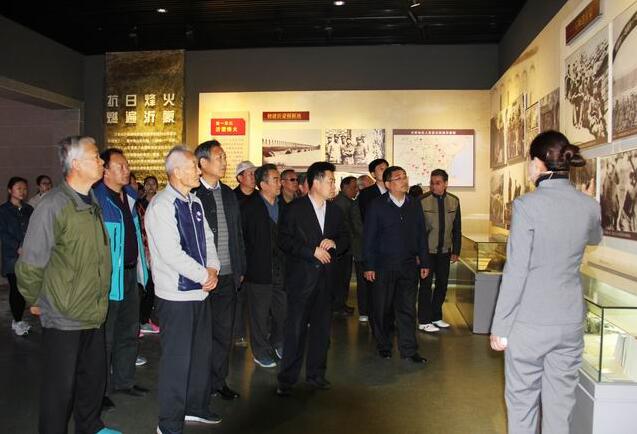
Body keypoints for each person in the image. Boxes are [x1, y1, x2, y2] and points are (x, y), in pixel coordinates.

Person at [490, 131, 602, 434]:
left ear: (539, 164)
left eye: (530, 161)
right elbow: (594, 238)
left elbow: (517, 270)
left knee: (522, 403)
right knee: (560, 406)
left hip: (530, 322)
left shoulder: (527, 205)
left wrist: (500, 326)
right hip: (569, 320)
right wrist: (587, 201)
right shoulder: (588, 205)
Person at [16, 136, 119, 434]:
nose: (101, 161)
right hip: (63, 315)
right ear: (75, 164)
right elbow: (30, 264)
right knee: (59, 391)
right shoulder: (53, 205)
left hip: (93, 311)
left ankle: (90, 427)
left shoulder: (91, 200)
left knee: (92, 381)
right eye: (95, 156)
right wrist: (37, 300)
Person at [145, 146, 222, 431]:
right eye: (193, 167)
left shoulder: (195, 202)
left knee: (201, 354)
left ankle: (195, 407)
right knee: (177, 360)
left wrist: (213, 269)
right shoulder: (162, 206)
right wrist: (204, 275)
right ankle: (169, 422)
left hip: (200, 292)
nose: (198, 171)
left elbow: (208, 240)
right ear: (176, 172)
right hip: (176, 296)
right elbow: (170, 253)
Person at [276, 162, 349, 396]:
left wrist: (335, 243)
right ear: (316, 182)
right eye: (330, 180)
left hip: (326, 281)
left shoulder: (336, 211)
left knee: (321, 331)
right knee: (295, 331)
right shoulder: (294, 209)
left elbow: (345, 239)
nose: (334, 185)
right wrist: (311, 251)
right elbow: (284, 240)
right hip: (301, 281)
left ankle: (316, 375)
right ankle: (287, 380)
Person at [93, 148, 150, 410]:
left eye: (127, 165)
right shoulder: (97, 199)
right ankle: (100, 389)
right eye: (120, 166)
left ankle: (124, 381)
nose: (127, 170)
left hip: (129, 273)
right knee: (106, 335)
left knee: (129, 330)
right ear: (105, 170)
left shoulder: (129, 196)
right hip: (108, 277)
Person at [193, 140, 246, 401]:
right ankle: (199, 385)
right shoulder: (192, 194)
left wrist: (240, 267)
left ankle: (218, 382)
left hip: (227, 275)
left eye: (224, 157)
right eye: (219, 157)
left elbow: (237, 233)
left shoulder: (228, 193)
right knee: (201, 334)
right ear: (202, 163)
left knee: (224, 334)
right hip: (202, 277)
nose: (224, 161)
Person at [363, 166, 430, 363]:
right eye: (398, 178)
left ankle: (409, 350)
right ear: (388, 184)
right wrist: (369, 266)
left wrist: (424, 261)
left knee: (407, 309)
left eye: (405, 176)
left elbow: (421, 235)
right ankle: (384, 346)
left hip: (408, 265)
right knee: (382, 309)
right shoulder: (376, 205)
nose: (404, 181)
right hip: (383, 266)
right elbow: (369, 238)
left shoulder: (414, 204)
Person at [241, 164, 287, 368]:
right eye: (276, 180)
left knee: (282, 311)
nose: (280, 183)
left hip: (281, 269)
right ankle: (260, 351)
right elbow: (241, 240)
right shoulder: (249, 207)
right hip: (258, 270)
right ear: (263, 184)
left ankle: (279, 343)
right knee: (259, 315)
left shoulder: (284, 206)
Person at [418, 169, 461, 333]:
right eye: (432, 183)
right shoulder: (422, 201)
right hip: (427, 252)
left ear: (445, 184)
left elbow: (457, 228)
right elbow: (418, 231)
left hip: (445, 252)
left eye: (437, 183)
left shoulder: (454, 201)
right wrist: (418, 254)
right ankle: (423, 320)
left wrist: (456, 250)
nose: (434, 186)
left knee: (442, 285)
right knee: (425, 286)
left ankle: (436, 316)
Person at [0, 176, 34, 336]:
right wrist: (17, 247)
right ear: (10, 190)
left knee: (28, 288)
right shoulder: (3, 210)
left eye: (25, 188)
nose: (23, 191)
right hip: (12, 257)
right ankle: (17, 321)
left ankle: (20, 318)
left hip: (29, 255)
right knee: (16, 288)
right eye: (19, 188)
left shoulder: (29, 209)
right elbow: (3, 233)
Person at [232, 160, 256, 348]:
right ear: (240, 178)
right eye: (250, 174)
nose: (253, 177)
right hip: (239, 253)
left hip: (257, 254)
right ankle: (238, 333)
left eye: (255, 173)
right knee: (238, 297)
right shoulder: (232, 198)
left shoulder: (259, 197)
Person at [331, 176, 358, 316]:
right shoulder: (341, 203)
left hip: (346, 247)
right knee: (341, 278)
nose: (356, 190)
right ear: (345, 187)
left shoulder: (346, 202)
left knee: (344, 278)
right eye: (354, 187)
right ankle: (338, 305)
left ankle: (341, 304)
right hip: (343, 248)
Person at [137, 175, 160, 335]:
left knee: (154, 284)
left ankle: (147, 318)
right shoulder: (139, 205)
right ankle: (142, 319)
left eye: (153, 184)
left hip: (158, 247)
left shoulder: (160, 203)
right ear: (144, 186)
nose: (151, 186)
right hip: (143, 248)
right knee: (145, 285)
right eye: (148, 184)